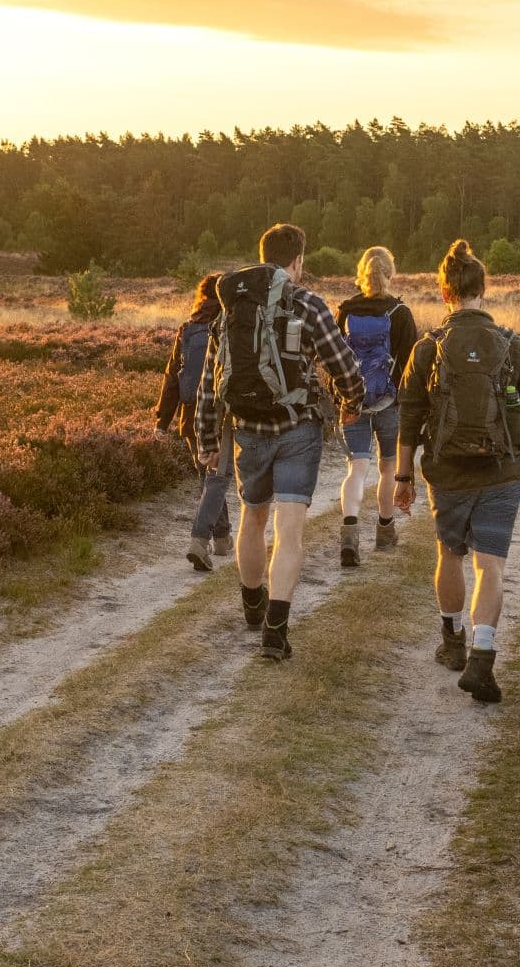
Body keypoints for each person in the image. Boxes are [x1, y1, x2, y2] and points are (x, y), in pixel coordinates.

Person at [191, 222, 368, 661]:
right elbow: (343, 364)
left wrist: (207, 439)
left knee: (253, 519)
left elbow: (209, 384)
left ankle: (252, 602)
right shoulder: (307, 303)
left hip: (248, 430)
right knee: (289, 532)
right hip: (298, 430)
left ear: (262, 254)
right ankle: (275, 629)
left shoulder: (229, 307)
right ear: (297, 261)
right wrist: (353, 402)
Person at [394, 239, 520, 704]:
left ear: (445, 294)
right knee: (491, 565)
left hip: (447, 472)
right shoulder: (512, 346)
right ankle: (482, 659)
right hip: (501, 471)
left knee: (450, 555)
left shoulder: (427, 348)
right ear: (484, 289)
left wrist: (402, 480)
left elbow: (408, 416)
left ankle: (452, 642)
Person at [333, 246, 419, 568]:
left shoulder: (345, 310)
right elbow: (410, 366)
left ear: (361, 273)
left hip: (352, 401)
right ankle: (384, 531)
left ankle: (350, 535)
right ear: (390, 273)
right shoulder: (400, 313)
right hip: (389, 403)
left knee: (356, 468)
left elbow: (333, 359)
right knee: (387, 467)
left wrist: (341, 394)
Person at [153, 274, 232, 572]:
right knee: (215, 478)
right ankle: (200, 542)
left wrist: (163, 421)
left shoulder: (187, 329)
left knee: (208, 476)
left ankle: (222, 539)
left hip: (189, 414)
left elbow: (172, 376)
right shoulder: (227, 324)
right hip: (220, 415)